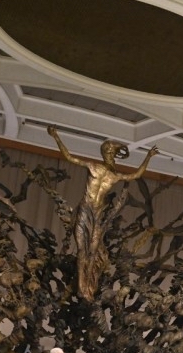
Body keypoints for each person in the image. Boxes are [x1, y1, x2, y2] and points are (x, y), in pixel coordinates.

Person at [48, 125, 159, 301]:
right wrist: (56, 137)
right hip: (85, 210)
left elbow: (136, 175)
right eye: (107, 151)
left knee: (93, 250)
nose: (109, 154)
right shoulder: (93, 166)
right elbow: (69, 157)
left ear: (114, 154)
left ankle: (88, 286)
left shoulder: (115, 176)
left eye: (111, 152)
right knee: (82, 249)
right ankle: (82, 285)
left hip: (98, 213)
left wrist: (148, 157)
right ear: (104, 153)